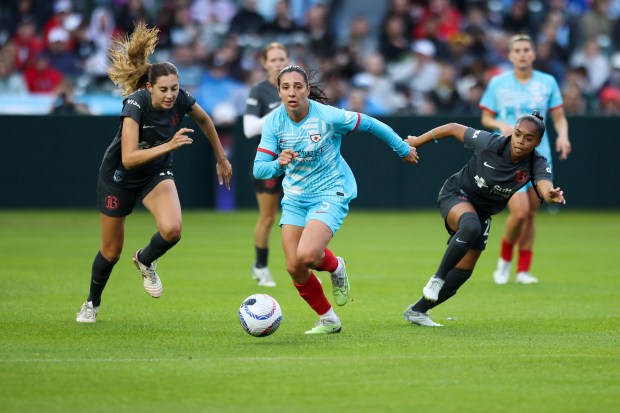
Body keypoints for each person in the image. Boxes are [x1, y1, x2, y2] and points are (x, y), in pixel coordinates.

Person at [76, 23, 232, 323]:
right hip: (119, 177)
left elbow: (205, 120)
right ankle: (91, 304)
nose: (171, 94)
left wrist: (221, 158)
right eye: (164, 89)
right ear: (149, 87)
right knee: (110, 252)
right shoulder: (135, 105)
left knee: (173, 230)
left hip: (155, 174)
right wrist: (169, 145)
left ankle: (145, 259)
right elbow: (130, 157)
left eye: (175, 88)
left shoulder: (182, 98)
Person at [254, 65, 419, 334]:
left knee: (307, 254)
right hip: (295, 198)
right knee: (294, 266)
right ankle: (329, 319)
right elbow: (258, 168)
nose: (292, 92)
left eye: (298, 86)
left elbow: (369, 123)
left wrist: (401, 148)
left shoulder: (329, 116)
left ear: (307, 90)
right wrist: (277, 164)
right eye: (286, 88)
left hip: (331, 192)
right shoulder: (274, 122)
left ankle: (335, 266)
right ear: (279, 92)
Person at [403, 112, 566, 327]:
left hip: (483, 212)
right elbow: (452, 127)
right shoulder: (490, 143)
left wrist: (549, 196)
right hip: (456, 193)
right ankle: (437, 278)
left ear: (538, 142)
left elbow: (545, 186)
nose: (520, 141)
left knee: (463, 272)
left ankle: (418, 310)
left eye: (528, 138)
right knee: (471, 226)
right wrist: (417, 142)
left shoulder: (537, 163)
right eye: (518, 134)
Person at [479, 34, 571, 285]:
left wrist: (563, 135)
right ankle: (504, 261)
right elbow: (486, 118)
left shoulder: (547, 82)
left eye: (526, 49)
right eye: (517, 49)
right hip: (508, 157)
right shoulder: (498, 83)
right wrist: (500, 123)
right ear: (509, 55)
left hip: (539, 158)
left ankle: (523, 270)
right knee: (519, 213)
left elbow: (559, 117)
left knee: (531, 214)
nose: (522, 53)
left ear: (533, 54)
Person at [243, 42, 290, 287]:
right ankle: (260, 266)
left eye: (282, 58)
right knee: (268, 217)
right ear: (265, 63)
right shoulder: (259, 90)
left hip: (297, 159)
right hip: (270, 159)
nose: (278, 63)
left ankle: (305, 263)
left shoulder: (297, 87)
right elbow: (249, 129)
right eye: (273, 60)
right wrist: (281, 109)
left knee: (303, 215)